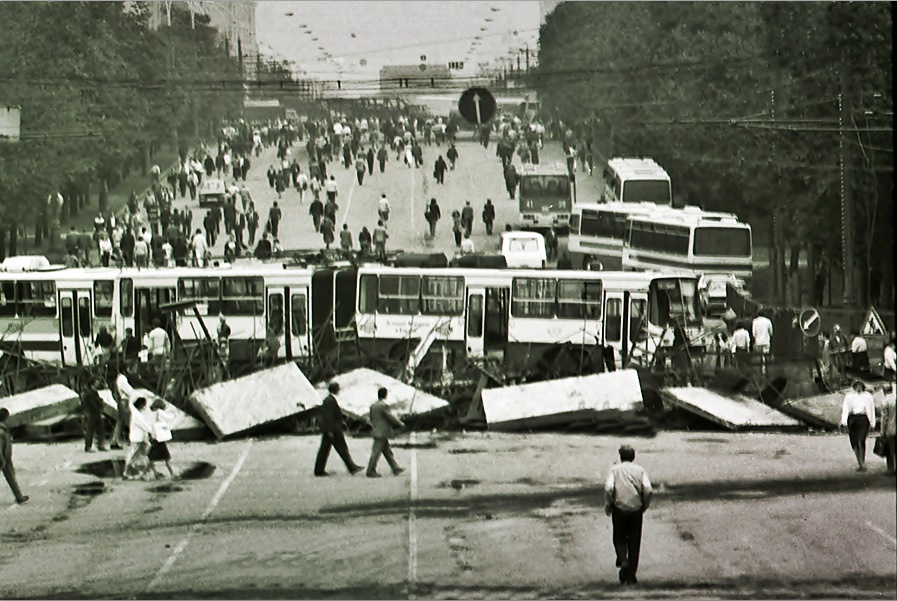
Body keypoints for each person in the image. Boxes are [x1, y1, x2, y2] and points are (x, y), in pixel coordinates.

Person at [604, 444, 652, 585]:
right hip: (636, 510)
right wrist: (644, 505)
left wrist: (609, 503)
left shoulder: (615, 470)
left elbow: (609, 487)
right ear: (633, 456)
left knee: (619, 537)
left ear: (620, 456)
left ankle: (623, 560)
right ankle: (631, 575)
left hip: (619, 509)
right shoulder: (640, 470)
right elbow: (648, 489)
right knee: (634, 542)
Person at [314, 382, 364, 477]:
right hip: (333, 429)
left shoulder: (329, 399)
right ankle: (351, 467)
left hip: (330, 429)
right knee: (341, 448)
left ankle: (319, 470)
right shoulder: (330, 401)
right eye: (338, 388)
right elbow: (329, 417)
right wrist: (330, 430)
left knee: (324, 450)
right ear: (335, 389)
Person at [366, 387, 405, 478]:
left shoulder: (373, 405)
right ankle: (370, 470)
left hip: (377, 430)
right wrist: (400, 424)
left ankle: (395, 468)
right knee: (376, 452)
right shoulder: (384, 405)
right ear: (386, 395)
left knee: (387, 451)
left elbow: (371, 418)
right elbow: (390, 417)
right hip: (383, 432)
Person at [840, 380, 876, 471]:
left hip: (863, 419)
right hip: (853, 418)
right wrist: (843, 422)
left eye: (860, 385)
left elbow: (871, 410)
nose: (858, 387)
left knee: (861, 440)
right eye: (856, 385)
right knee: (854, 441)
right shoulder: (849, 396)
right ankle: (859, 462)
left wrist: (872, 423)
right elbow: (845, 409)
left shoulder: (868, 396)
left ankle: (863, 462)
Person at [0, 408, 28, 504]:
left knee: (11, 476)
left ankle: (19, 496)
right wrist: (2, 458)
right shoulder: (1, 431)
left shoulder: (4, 429)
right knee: (11, 476)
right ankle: (18, 496)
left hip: (5, 458)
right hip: (2, 458)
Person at [123, 397, 154, 479]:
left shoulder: (137, 414)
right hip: (137, 438)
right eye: (144, 405)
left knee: (143, 454)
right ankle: (127, 472)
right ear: (141, 405)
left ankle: (144, 472)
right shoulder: (137, 415)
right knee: (135, 455)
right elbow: (143, 425)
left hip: (140, 438)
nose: (145, 407)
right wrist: (152, 431)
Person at [148, 399, 175, 480]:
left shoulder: (151, 414)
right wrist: (174, 413)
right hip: (159, 438)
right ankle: (172, 474)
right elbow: (169, 418)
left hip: (153, 437)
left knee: (151, 458)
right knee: (166, 457)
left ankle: (155, 473)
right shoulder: (159, 412)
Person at [81, 378, 107, 453]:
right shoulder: (90, 393)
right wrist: (99, 410)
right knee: (90, 430)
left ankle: (100, 445)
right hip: (92, 413)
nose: (98, 383)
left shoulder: (94, 392)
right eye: (96, 382)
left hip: (96, 413)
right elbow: (92, 404)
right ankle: (88, 447)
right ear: (92, 384)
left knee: (101, 429)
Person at [880, 383, 896, 475]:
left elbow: (884, 418)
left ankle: (891, 469)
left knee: (890, 451)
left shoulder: (885, 402)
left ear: (884, 391)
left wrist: (882, 431)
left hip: (890, 429)